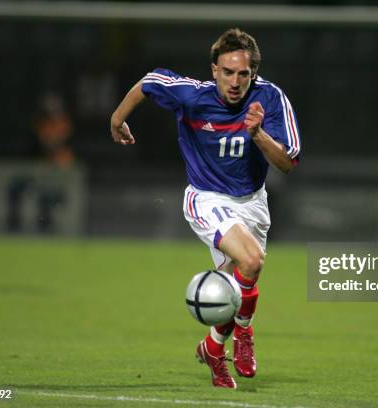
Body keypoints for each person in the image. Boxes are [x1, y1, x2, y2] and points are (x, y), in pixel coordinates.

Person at [110, 28, 300, 387]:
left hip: (253, 204)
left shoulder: (270, 99)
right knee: (252, 261)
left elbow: (288, 162)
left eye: (243, 74)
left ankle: (213, 348)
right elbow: (148, 82)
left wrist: (258, 134)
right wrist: (116, 119)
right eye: (228, 72)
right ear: (214, 70)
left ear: (253, 75)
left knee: (234, 289)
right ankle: (244, 334)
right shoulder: (192, 96)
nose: (235, 81)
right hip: (206, 199)